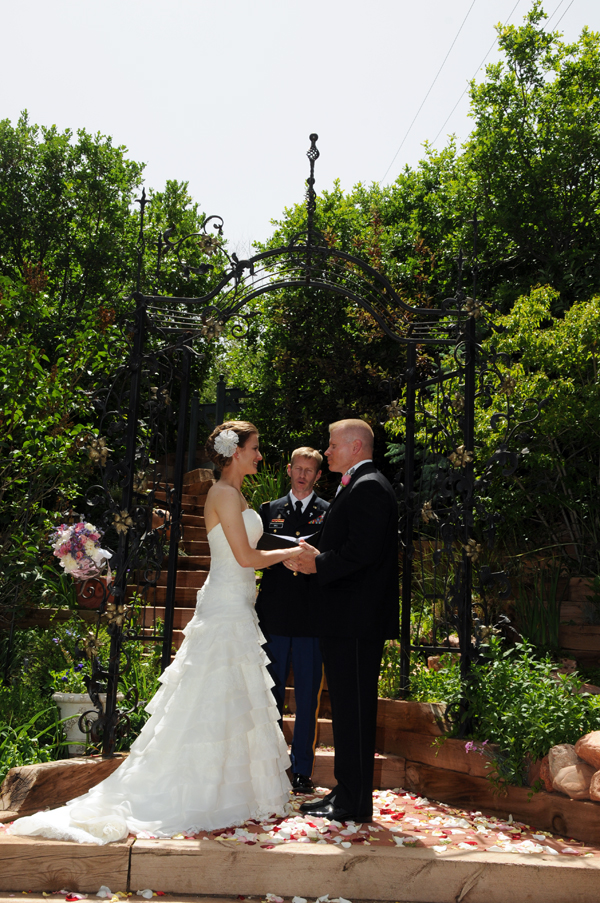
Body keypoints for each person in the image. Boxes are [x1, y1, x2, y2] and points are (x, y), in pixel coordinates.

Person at [11, 421, 302, 845]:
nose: (261, 455)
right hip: (224, 606)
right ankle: (195, 791)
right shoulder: (222, 493)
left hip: (236, 604)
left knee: (231, 698)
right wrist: (293, 552)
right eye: (255, 448)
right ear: (235, 451)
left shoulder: (237, 493)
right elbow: (244, 556)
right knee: (210, 696)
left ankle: (231, 792)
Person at [285, 419, 399, 822]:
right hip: (348, 619)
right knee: (349, 712)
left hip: (355, 621)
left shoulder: (368, 486)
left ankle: (353, 801)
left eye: (332, 446)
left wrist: (317, 563)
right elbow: (352, 547)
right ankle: (347, 793)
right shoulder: (359, 484)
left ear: (354, 446)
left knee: (354, 711)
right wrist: (318, 553)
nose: (327, 452)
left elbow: (361, 553)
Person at [255, 447, 329, 793]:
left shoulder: (329, 512)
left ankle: (302, 770)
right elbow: (254, 555)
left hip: (312, 619)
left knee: (307, 699)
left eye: (309, 470)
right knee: (270, 695)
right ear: (289, 470)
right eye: (297, 468)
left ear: (318, 475)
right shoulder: (269, 510)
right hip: (274, 617)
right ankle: (270, 765)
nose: (302, 475)